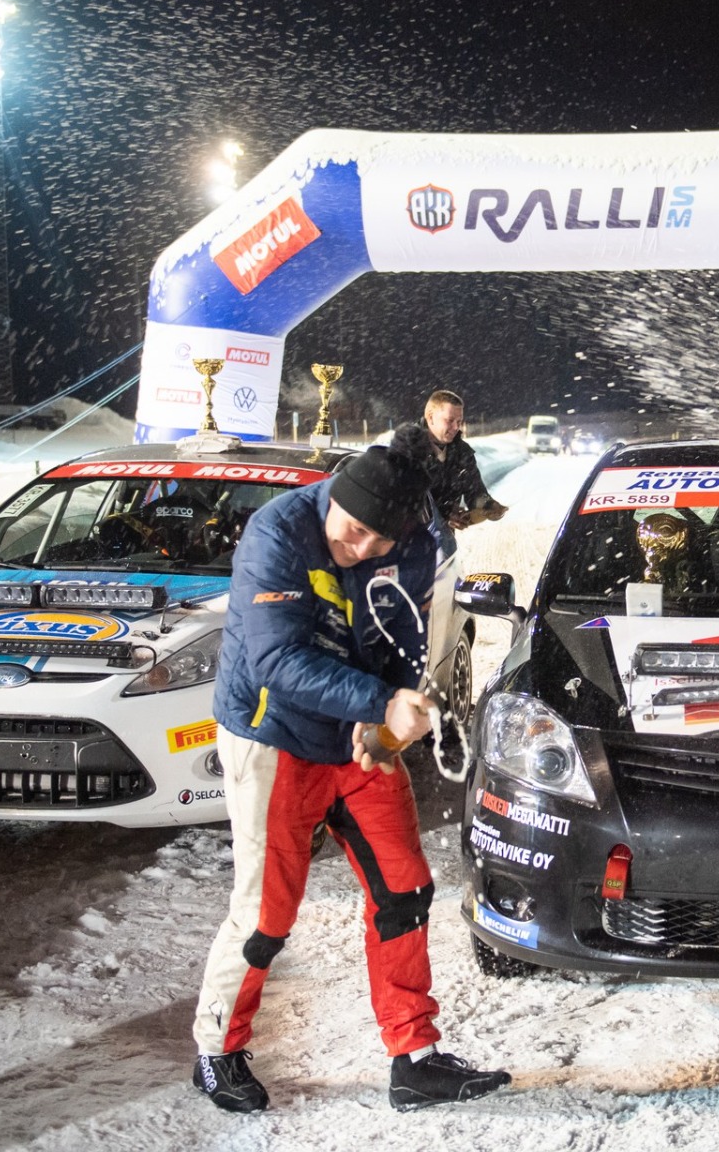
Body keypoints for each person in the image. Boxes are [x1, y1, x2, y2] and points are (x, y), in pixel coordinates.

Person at [190, 444, 510, 1112]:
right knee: (266, 913)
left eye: (378, 540)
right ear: (333, 497)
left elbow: (407, 636)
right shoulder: (277, 533)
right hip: (274, 738)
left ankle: (414, 1058)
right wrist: (380, 703)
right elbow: (278, 659)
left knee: (404, 890)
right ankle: (217, 1050)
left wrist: (394, 708)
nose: (361, 548)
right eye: (353, 530)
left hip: (358, 742)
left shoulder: (415, 541)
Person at [391, 389, 508, 563]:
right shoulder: (406, 450)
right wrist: (444, 513)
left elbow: (474, 491)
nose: (456, 427)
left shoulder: (462, 453)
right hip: (405, 547)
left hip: (444, 545)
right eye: (450, 420)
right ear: (430, 417)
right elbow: (402, 502)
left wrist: (488, 506)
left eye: (459, 421)